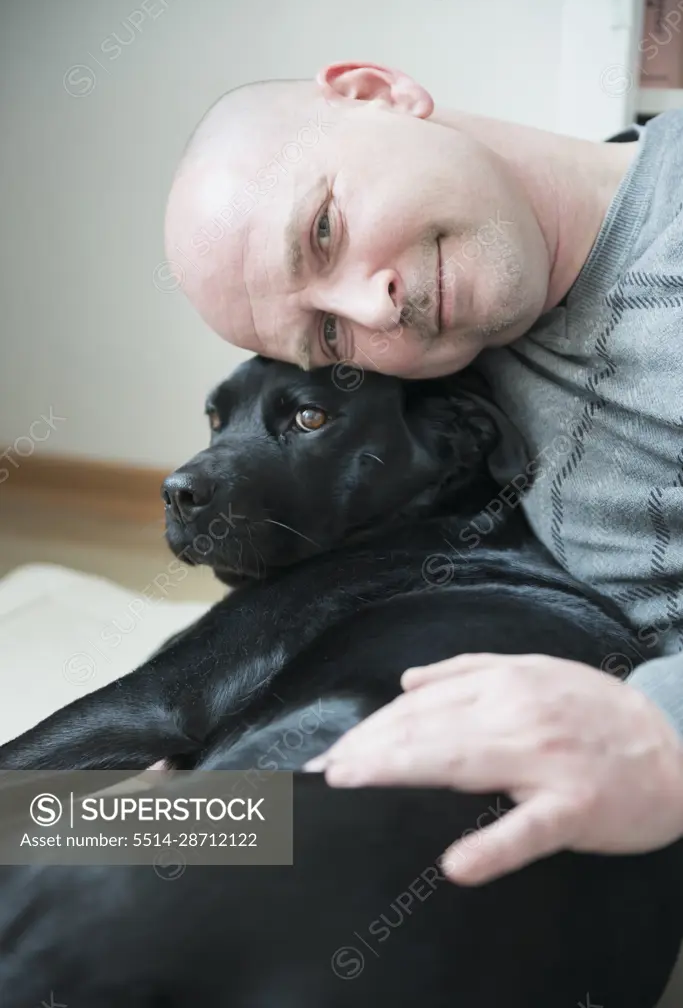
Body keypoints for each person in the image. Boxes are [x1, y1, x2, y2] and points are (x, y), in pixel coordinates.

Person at [163, 62, 683, 886]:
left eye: (324, 230)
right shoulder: (447, 381)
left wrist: (664, 733)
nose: (372, 310)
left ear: (376, 93)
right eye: (329, 339)